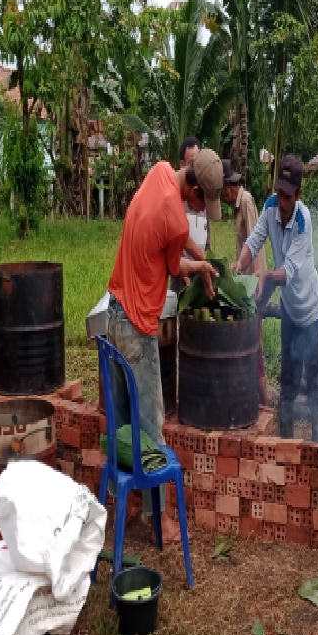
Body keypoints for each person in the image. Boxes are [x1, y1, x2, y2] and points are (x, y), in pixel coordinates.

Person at [103, 148, 223, 448]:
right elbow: (176, 269)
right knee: (149, 432)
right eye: (200, 203)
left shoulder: (160, 171)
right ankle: (152, 496)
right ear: (194, 190)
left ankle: (118, 494)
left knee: (120, 428)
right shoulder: (178, 219)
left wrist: (201, 256)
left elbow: (174, 237)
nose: (198, 210)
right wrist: (200, 267)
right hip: (138, 329)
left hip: (114, 314)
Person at [237, 154, 318, 441]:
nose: (282, 201)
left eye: (288, 195)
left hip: (310, 311)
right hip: (289, 309)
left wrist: (264, 276)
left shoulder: (303, 220)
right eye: (279, 192)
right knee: (288, 382)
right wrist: (240, 266)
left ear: (298, 194)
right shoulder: (269, 207)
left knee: (315, 383)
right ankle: (286, 445)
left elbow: (287, 271)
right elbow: (254, 241)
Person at [179, 138, 208, 261]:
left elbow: (207, 241)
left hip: (198, 271)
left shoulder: (201, 193)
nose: (197, 167)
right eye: (192, 162)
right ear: (182, 164)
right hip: (181, 274)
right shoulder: (175, 202)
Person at [222, 159, 259, 254]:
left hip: (252, 267)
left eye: (221, 191)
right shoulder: (237, 204)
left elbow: (254, 242)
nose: (222, 196)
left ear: (227, 187)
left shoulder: (245, 201)